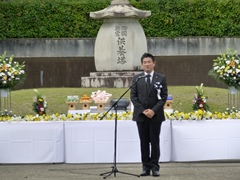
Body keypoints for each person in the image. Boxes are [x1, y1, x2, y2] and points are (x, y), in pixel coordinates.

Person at [130, 52, 168, 177]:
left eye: (149, 62)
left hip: (155, 116)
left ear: (154, 63)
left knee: (154, 141)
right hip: (141, 116)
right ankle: (145, 167)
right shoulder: (137, 78)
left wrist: (153, 110)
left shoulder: (161, 78)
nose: (147, 64)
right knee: (144, 142)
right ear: (142, 64)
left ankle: (155, 167)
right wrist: (143, 111)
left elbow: (163, 97)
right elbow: (133, 96)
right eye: (144, 62)